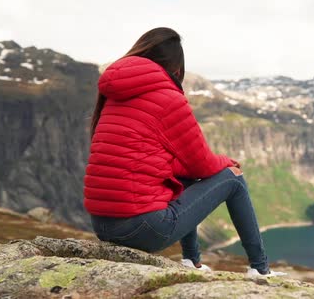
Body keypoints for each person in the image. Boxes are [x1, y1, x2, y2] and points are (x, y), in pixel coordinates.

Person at [83, 27, 285, 277]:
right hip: (143, 229)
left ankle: (192, 260)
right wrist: (228, 163)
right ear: (176, 67)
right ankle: (260, 268)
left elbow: (169, 165)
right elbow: (202, 164)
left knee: (184, 174)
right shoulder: (168, 98)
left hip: (102, 226)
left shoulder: (114, 96)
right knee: (234, 178)